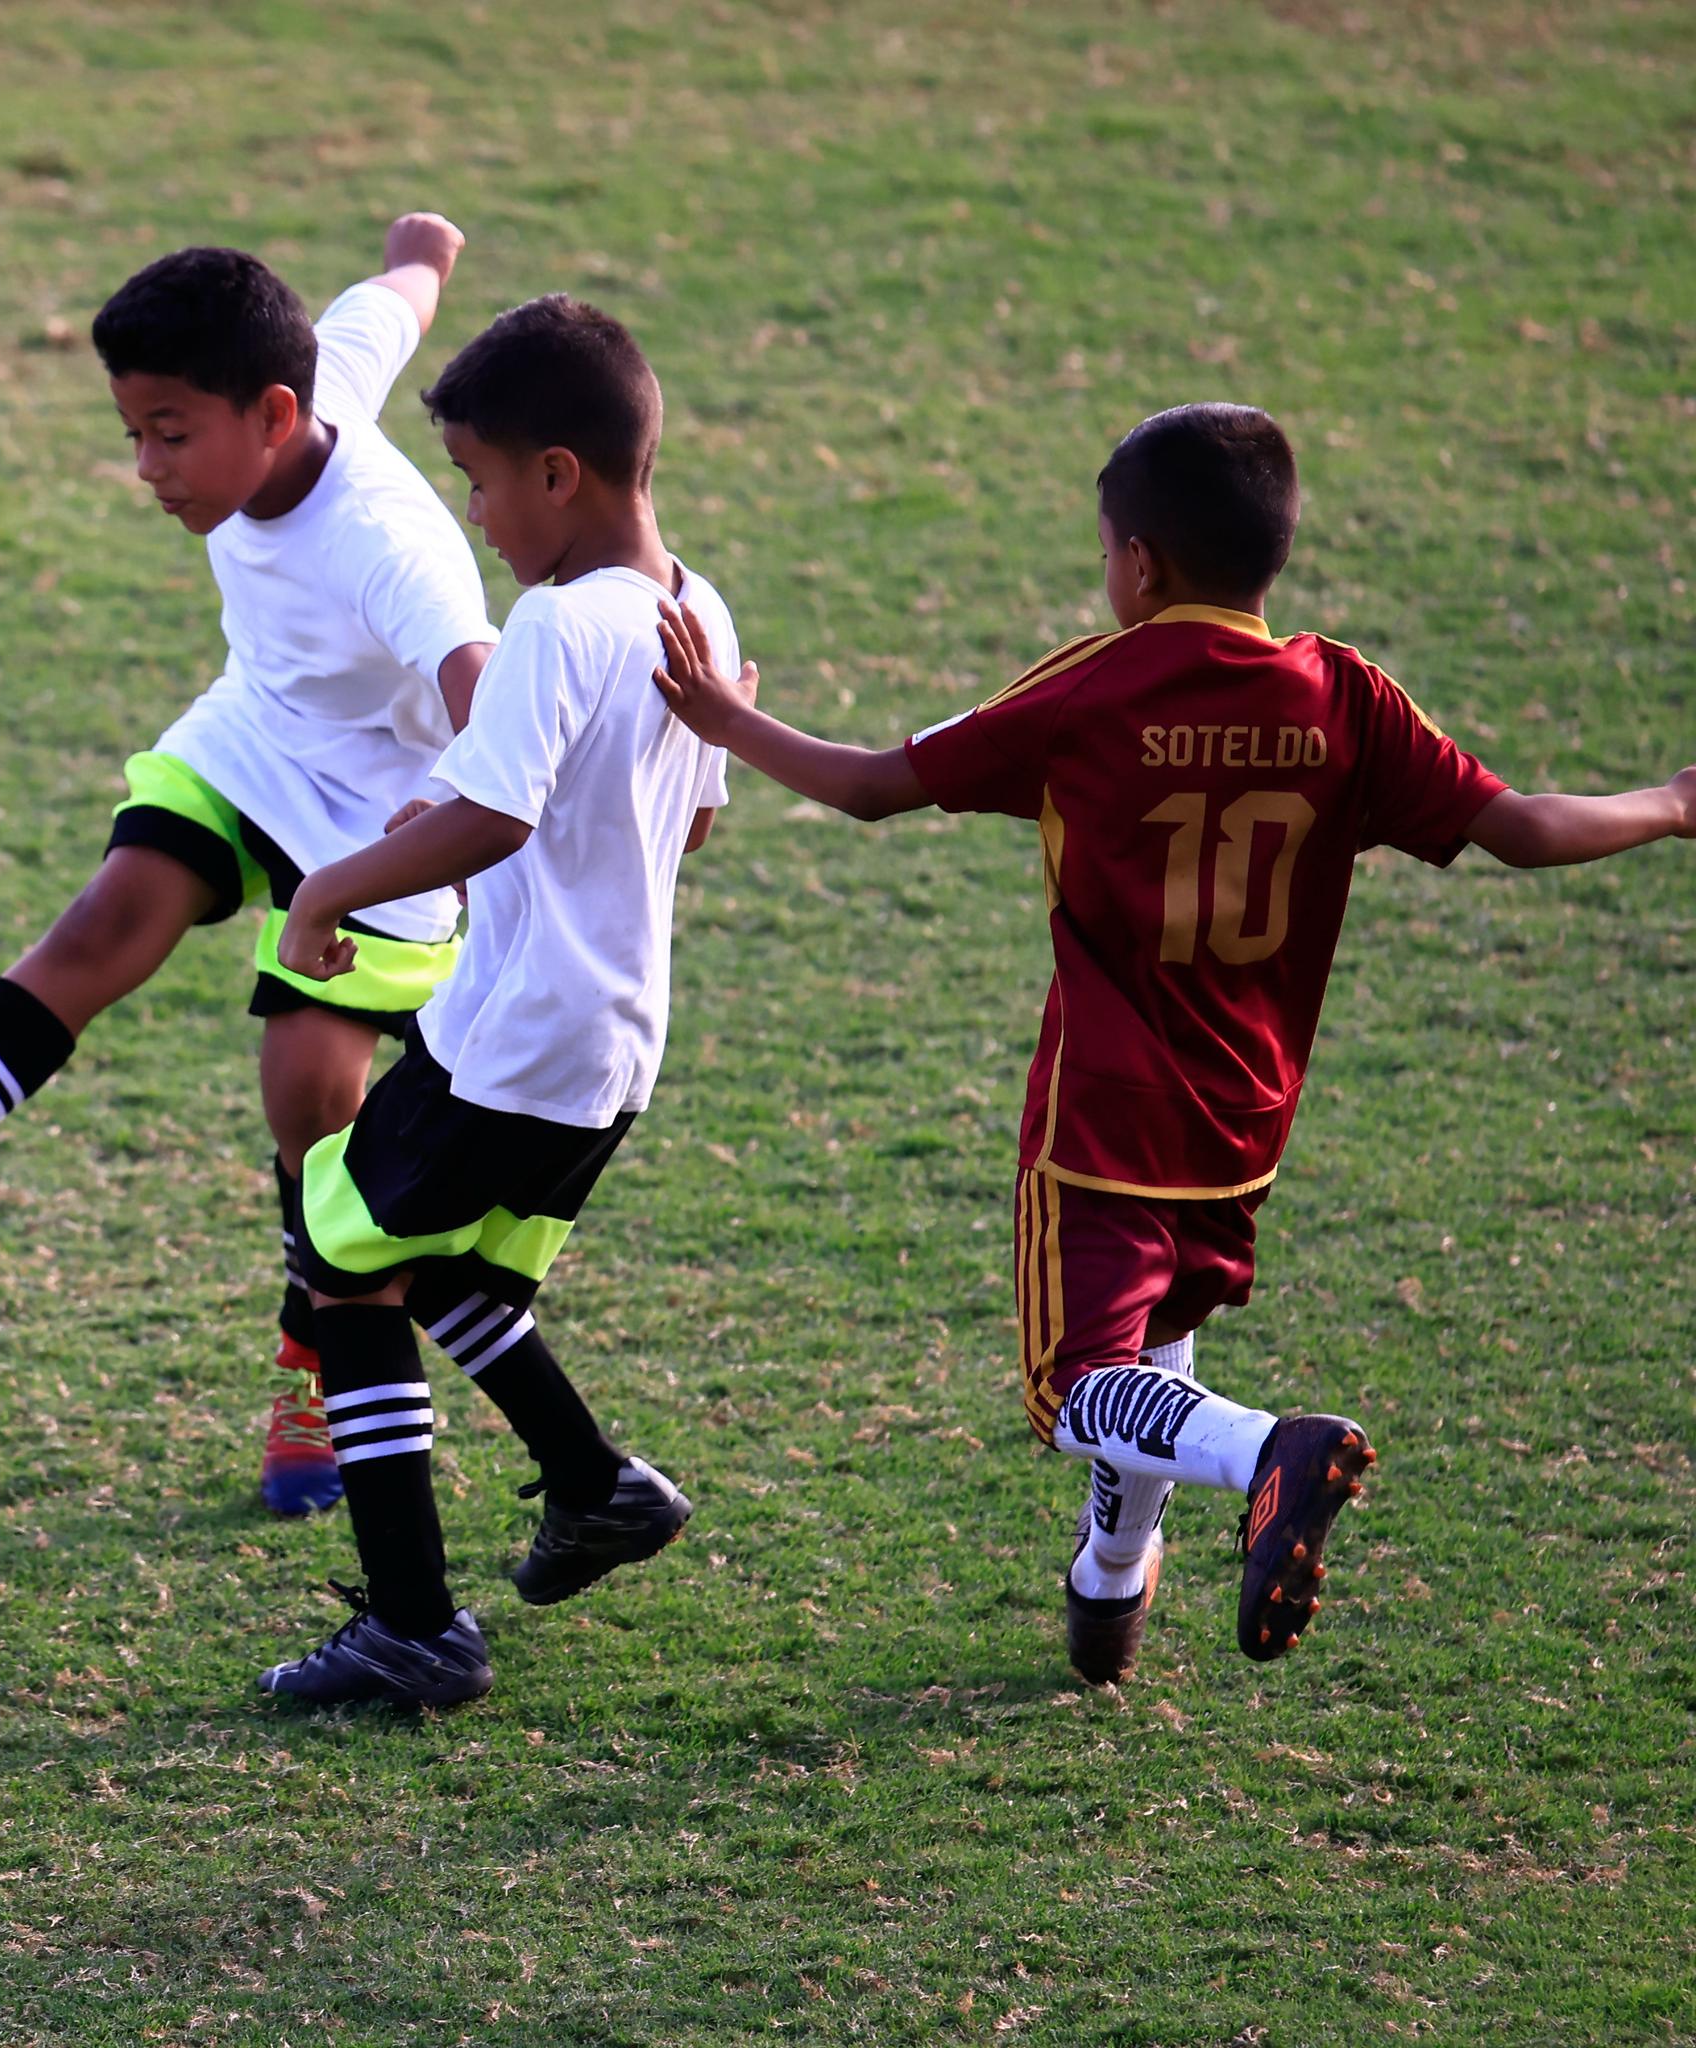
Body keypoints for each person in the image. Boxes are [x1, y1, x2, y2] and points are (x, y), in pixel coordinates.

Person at [652, 402, 1696, 1683]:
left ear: (1137, 562)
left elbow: (873, 786)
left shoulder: (1095, 684)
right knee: (1156, 1347)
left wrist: (720, 718)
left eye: (1104, 552)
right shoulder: (1344, 696)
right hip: (1244, 1120)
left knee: (1074, 1384)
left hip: (1100, 1120)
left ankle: (1266, 1450)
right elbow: (1525, 827)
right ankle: (1110, 1583)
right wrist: (1677, 800)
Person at [0, 216, 499, 1519]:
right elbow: (382, 309)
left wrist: (455, 829)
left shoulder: (389, 544)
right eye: (133, 435)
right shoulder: (307, 375)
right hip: (256, 740)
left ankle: (317, 1367)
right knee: (105, 924)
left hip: (386, 822)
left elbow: (490, 706)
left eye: (171, 434)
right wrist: (422, 256)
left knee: (308, 1100)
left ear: (276, 415)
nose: (147, 468)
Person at [256, 295, 733, 1707]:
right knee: (446, 1264)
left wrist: (330, 887)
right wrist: (455, 806)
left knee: (341, 1269)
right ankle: (595, 1489)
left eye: (474, 476)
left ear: (557, 474)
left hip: (509, 1045)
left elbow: (497, 825)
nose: (469, 510)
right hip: (611, 1053)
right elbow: (681, 823)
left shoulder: (555, 622)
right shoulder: (693, 606)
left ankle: (413, 1626)